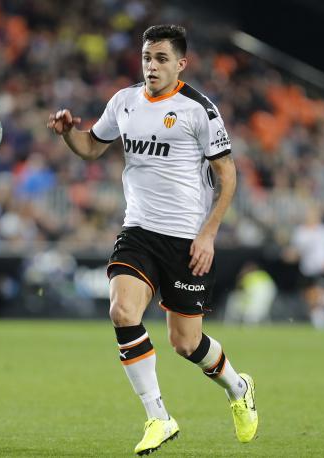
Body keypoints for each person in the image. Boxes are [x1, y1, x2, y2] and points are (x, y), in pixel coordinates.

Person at [47, 24, 257, 455]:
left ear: (181, 63)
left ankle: (238, 387)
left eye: (161, 59)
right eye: (146, 57)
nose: (151, 66)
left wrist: (209, 234)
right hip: (139, 230)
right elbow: (91, 147)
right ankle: (158, 417)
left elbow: (228, 176)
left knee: (186, 343)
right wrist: (70, 132)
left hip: (186, 239)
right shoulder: (124, 102)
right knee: (122, 310)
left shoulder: (199, 109)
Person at [284, 206, 324, 329]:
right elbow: (296, 252)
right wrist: (290, 255)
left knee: (317, 293)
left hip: (322, 269)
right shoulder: (300, 232)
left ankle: (322, 317)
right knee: (309, 297)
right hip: (307, 270)